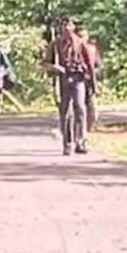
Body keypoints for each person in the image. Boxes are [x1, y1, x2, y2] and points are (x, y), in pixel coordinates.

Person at [43, 17, 94, 155]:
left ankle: (81, 142)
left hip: (78, 79)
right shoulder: (55, 44)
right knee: (65, 111)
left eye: (69, 25)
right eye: (64, 25)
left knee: (80, 108)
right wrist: (55, 67)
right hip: (63, 79)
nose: (67, 28)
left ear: (73, 27)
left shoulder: (80, 43)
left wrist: (92, 83)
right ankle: (68, 143)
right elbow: (45, 63)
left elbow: (89, 63)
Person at [76, 25, 103, 132]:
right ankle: (79, 129)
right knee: (79, 107)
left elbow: (99, 65)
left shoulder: (92, 49)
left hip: (88, 81)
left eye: (84, 36)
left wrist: (93, 75)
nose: (82, 38)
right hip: (76, 81)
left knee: (92, 108)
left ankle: (88, 128)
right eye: (80, 36)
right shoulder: (72, 50)